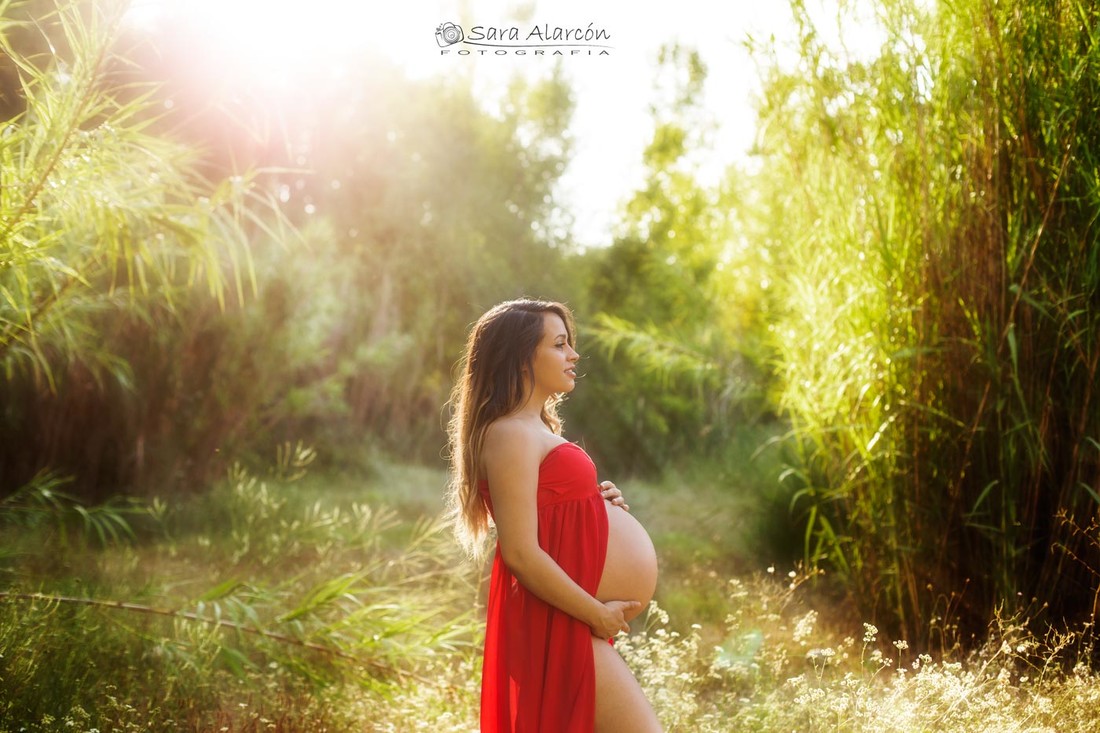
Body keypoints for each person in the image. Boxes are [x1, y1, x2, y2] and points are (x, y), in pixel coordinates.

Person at [446, 298, 662, 733]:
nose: (573, 355)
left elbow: (550, 518)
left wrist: (598, 506)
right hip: (558, 623)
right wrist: (595, 614)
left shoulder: (537, 428)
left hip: (569, 619)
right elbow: (521, 554)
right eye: (560, 345)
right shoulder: (509, 434)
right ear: (522, 358)